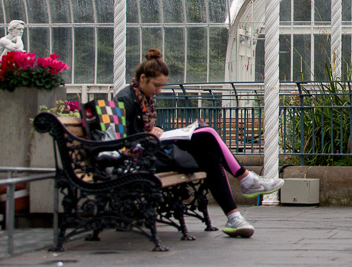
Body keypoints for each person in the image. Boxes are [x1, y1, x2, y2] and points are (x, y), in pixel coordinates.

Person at [116, 48, 284, 238]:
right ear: (143, 78)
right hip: (141, 158)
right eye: (156, 85)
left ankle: (235, 217)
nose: (159, 90)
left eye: (162, 86)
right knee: (207, 134)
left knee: (210, 154)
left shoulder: (145, 98)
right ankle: (245, 180)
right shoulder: (124, 99)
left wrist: (153, 132)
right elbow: (121, 140)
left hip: (154, 151)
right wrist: (147, 134)